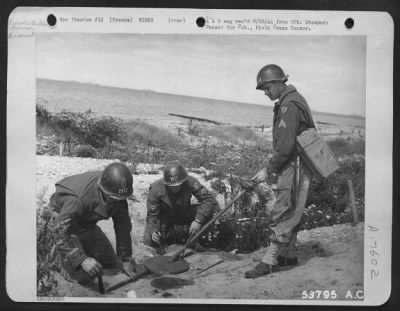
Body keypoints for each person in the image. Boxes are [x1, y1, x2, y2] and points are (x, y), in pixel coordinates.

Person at [245, 64, 315, 278]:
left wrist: (268, 169)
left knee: (283, 208)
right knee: (293, 208)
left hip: (295, 163)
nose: (266, 93)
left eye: (266, 88)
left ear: (277, 83)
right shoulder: (291, 100)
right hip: (298, 162)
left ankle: (270, 260)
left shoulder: (289, 105)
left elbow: (285, 147)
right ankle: (288, 254)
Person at [49, 162, 136, 284]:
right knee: (83, 275)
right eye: (114, 199)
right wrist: (81, 259)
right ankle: (56, 257)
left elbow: (123, 225)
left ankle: (81, 240)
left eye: (121, 199)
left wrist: (125, 257)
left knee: (109, 262)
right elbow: (57, 230)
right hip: (63, 221)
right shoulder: (77, 200)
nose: (118, 203)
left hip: (85, 222)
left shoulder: (116, 191)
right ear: (103, 191)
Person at [144, 161, 218, 249]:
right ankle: (166, 239)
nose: (176, 188)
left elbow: (209, 200)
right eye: (172, 186)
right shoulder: (156, 189)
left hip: (184, 213)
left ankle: (194, 240)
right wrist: (154, 231)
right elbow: (152, 215)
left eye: (178, 185)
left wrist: (198, 220)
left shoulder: (190, 181)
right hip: (165, 217)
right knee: (149, 239)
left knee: (208, 212)